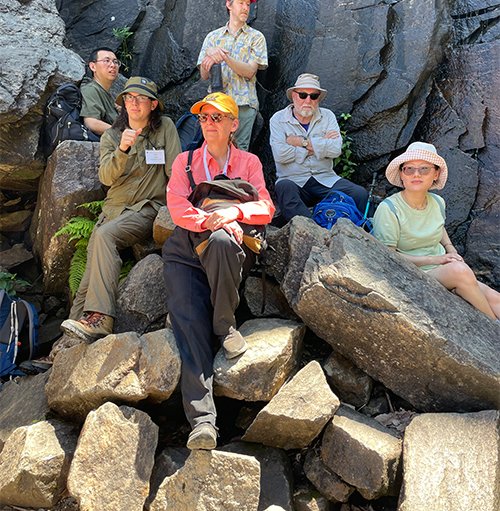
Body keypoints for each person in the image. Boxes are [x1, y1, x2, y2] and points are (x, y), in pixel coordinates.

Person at [162, 92, 275, 450]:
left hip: (232, 250)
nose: (208, 123)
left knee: (226, 244)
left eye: (217, 117)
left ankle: (224, 323)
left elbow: (266, 208)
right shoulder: (185, 162)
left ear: (233, 124)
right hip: (186, 252)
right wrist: (213, 222)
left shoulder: (249, 162)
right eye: (204, 118)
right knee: (189, 325)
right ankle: (203, 423)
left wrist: (234, 214)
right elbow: (177, 208)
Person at [60, 77, 181, 342]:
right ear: (122, 103)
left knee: (105, 236)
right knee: (86, 280)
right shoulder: (113, 136)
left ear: (153, 104)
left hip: (147, 207)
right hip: (113, 211)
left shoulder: (165, 128)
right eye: (128, 98)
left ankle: (101, 318)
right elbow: (106, 177)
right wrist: (123, 148)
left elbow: (174, 171)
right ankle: (66, 343)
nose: (134, 104)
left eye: (140, 99)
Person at [373, 142, 500, 322]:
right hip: (411, 272)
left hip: (442, 268)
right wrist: (436, 260)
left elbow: (438, 227)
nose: (416, 174)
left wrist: (451, 249)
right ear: (402, 174)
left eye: (424, 169)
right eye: (409, 169)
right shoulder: (390, 208)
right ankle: (492, 327)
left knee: (495, 298)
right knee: (460, 271)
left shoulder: (437, 202)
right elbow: (387, 255)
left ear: (436, 173)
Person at [270, 73, 368, 224]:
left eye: (313, 96)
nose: (308, 100)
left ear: (318, 99)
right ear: (293, 96)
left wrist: (300, 142)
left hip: (325, 179)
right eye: (303, 95)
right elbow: (280, 155)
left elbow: (335, 150)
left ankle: (353, 233)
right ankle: (313, 230)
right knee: (283, 187)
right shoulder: (278, 119)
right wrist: (321, 143)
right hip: (294, 180)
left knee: (359, 194)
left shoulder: (327, 116)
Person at [197, 0, 268, 151]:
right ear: (229, 5)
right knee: (214, 147)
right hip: (216, 106)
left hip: (243, 104)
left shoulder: (256, 37)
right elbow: (204, 75)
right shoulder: (213, 37)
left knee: (239, 151)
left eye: (248, 5)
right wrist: (209, 54)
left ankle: (236, 179)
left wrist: (223, 57)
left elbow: (250, 71)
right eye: (241, 3)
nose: (245, 8)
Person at [81, 47, 120, 136]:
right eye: (106, 61)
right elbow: (92, 123)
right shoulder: (90, 90)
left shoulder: (106, 94)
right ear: (93, 66)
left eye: (115, 62)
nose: (112, 65)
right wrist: (122, 134)